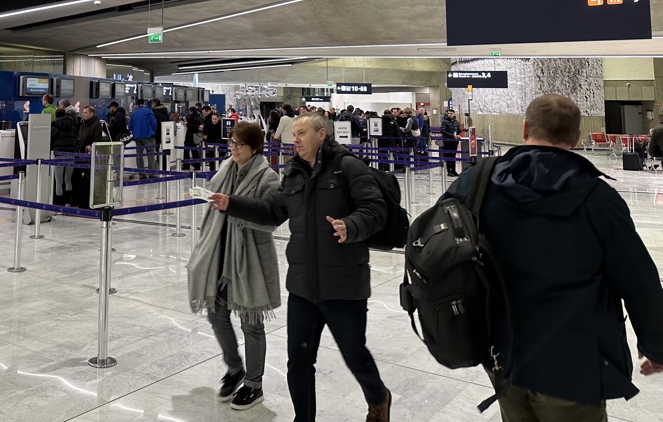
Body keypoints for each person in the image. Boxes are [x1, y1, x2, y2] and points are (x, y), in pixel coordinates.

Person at [443, 94, 663, 421]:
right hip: (574, 364)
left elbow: (437, 248)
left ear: (524, 129)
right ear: (575, 138)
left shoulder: (475, 182)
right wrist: (656, 344)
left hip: (503, 355)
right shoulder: (599, 198)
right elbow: (637, 279)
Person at [208, 115, 391, 422]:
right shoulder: (293, 174)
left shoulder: (348, 168)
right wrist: (232, 203)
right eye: (294, 134)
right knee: (299, 362)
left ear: (321, 134)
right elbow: (272, 211)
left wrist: (351, 225)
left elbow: (375, 209)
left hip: (343, 285)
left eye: (301, 133)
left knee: (354, 354)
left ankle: (378, 397)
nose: (295, 139)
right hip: (303, 287)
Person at [188, 121, 280, 411]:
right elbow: (217, 198)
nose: (233, 149)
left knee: (251, 322)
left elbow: (271, 217)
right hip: (220, 252)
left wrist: (233, 205)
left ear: (254, 147)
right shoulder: (227, 168)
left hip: (248, 257)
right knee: (216, 315)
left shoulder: (268, 177)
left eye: (239, 145)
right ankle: (234, 367)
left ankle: (254, 383)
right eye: (232, 143)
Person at [50, 108, 77, 205]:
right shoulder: (72, 126)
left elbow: (51, 141)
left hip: (59, 154)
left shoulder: (53, 127)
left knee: (58, 180)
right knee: (68, 179)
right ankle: (68, 202)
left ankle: (59, 203)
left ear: (56, 116)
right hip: (71, 155)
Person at [129, 99, 157, 173]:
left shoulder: (134, 113)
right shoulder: (149, 111)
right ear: (144, 103)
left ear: (137, 105)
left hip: (137, 137)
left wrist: (135, 132)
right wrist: (153, 131)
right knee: (151, 155)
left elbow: (130, 126)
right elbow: (154, 123)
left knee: (139, 155)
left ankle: (141, 174)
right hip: (148, 136)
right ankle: (151, 173)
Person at [441, 109, 463, 176]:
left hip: (454, 142)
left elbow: (459, 130)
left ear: (454, 114)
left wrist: (458, 135)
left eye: (451, 113)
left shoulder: (456, 122)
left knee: (453, 156)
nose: (449, 115)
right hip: (447, 141)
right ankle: (449, 170)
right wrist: (453, 136)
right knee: (448, 156)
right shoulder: (444, 122)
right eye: (448, 113)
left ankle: (453, 170)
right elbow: (443, 131)